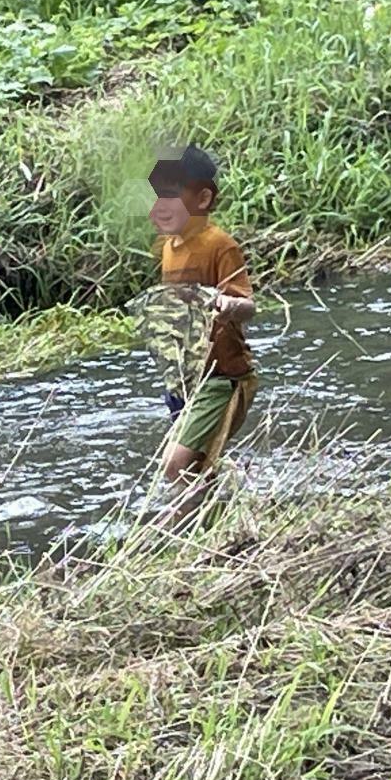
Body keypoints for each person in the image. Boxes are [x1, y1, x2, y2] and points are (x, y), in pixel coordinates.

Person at [147, 144, 256, 520]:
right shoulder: (168, 248)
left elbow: (249, 306)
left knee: (175, 463)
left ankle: (180, 530)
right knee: (195, 467)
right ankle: (215, 522)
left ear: (203, 197)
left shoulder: (219, 246)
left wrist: (228, 305)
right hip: (184, 375)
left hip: (222, 378)